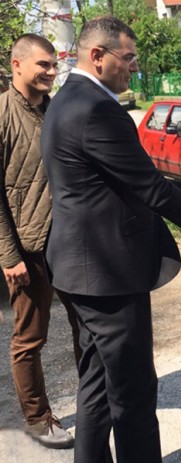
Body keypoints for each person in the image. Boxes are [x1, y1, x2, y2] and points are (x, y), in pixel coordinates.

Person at [40, 16, 181, 463]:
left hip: (80, 269)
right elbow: (152, 188)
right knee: (132, 394)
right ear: (98, 56)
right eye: (129, 57)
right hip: (108, 276)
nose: (134, 67)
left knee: (96, 384)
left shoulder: (64, 100)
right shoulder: (96, 109)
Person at [0, 33, 82, 450]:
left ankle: (95, 402)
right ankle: (37, 419)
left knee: (87, 326)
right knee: (29, 339)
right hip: (28, 249)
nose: (51, 71)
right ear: (17, 65)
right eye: (43, 65)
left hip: (70, 243)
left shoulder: (57, 110)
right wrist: (8, 254)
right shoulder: (2, 115)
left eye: (54, 64)